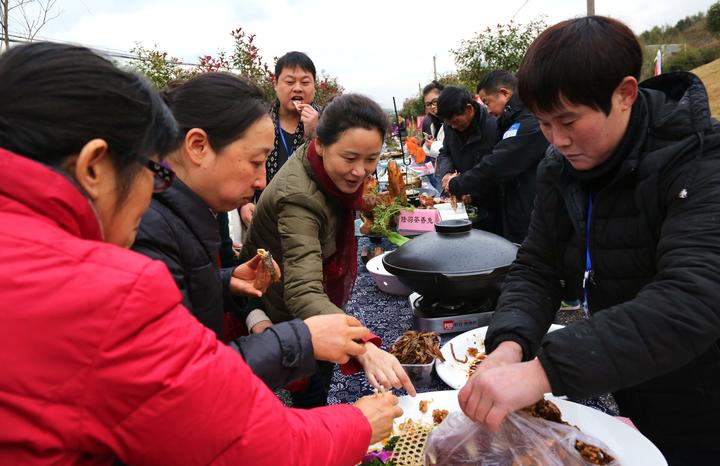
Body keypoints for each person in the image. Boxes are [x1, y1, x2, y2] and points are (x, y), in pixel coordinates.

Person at [0, 42, 402, 465]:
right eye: (153, 170)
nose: (155, 191)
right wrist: (356, 422)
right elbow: (239, 441)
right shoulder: (105, 288)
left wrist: (221, 279)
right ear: (94, 166)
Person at [458, 16, 720, 465]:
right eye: (543, 124)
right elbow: (538, 266)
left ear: (625, 94)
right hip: (631, 371)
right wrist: (509, 345)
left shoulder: (699, 159)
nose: (557, 141)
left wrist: (544, 370)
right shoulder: (560, 168)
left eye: (568, 121)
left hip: (704, 386)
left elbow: (693, 297)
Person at [132, 72, 370, 390]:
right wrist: (303, 339)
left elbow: (175, 289)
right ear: (198, 146)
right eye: (257, 162)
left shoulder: (195, 209)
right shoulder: (144, 227)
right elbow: (183, 376)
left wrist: (223, 280)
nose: (261, 182)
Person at [241, 94, 417, 408]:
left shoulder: (319, 167)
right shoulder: (298, 197)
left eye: (370, 159)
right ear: (320, 144)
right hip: (286, 306)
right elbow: (301, 291)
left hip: (315, 293)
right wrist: (364, 347)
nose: (360, 171)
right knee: (311, 386)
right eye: (349, 158)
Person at [441, 71, 548, 243]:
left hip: (528, 210)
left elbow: (496, 165)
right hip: (514, 207)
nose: (488, 109)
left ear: (505, 93)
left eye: (487, 102)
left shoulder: (528, 122)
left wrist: (456, 184)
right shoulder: (511, 120)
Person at [239, 51, 320, 227]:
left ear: (314, 86)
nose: (297, 88)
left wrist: (313, 133)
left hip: (311, 221)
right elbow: (242, 167)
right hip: (265, 218)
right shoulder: (258, 123)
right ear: (276, 84)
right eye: (290, 82)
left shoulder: (327, 123)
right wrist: (244, 204)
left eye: (305, 82)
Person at [435, 86, 500, 232]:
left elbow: (496, 169)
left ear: (469, 109)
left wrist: (473, 194)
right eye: (449, 123)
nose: (452, 126)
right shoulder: (449, 125)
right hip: (461, 199)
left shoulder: (493, 125)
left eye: (455, 122)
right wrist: (446, 173)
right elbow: (445, 153)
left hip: (491, 207)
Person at [419, 80, 445, 159]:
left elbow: (454, 150)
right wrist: (430, 144)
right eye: (428, 104)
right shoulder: (433, 124)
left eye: (435, 101)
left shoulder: (453, 120)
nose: (432, 106)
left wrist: (434, 145)